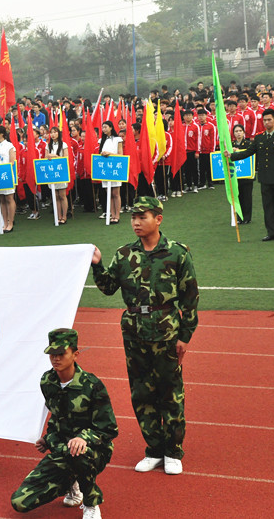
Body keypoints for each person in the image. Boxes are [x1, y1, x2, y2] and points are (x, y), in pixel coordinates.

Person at [91, 196, 199, 475]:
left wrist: (185, 336)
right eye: (133, 217)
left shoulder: (177, 253)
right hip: (134, 333)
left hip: (166, 333)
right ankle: (154, 450)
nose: (136, 222)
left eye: (143, 217)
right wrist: (97, 264)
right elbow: (108, 287)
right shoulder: (124, 254)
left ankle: (173, 451)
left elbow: (190, 297)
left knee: (170, 393)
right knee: (141, 393)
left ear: (158, 219)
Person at [10, 328, 117, 519]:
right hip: (63, 448)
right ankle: (71, 483)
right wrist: (48, 439)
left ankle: (90, 503)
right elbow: (57, 417)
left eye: (61, 353)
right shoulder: (48, 381)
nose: (55, 358)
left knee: (78, 451)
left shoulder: (92, 385)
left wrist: (83, 438)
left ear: (75, 354)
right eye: (52, 354)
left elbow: (109, 428)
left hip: (93, 450)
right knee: (20, 502)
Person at [227, 108, 274, 241]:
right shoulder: (259, 137)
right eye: (264, 120)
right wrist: (231, 156)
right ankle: (271, 232)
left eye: (269, 120)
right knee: (267, 206)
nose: (267, 122)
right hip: (265, 177)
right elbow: (248, 152)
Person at [0, 125, 17, 232]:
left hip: (7, 174)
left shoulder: (9, 145)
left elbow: (12, 162)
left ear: (1, 133)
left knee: (9, 198)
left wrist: (1, 166)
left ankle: (11, 222)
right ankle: (4, 222)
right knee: (1, 199)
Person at [98, 122, 123, 223]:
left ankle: (117, 215)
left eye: (105, 127)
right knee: (109, 193)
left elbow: (121, 155)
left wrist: (109, 154)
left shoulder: (118, 139)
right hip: (105, 169)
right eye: (102, 127)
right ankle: (112, 215)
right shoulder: (101, 140)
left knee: (116, 193)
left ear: (111, 127)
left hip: (115, 168)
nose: (104, 129)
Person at [45, 127, 70, 224]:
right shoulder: (48, 145)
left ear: (58, 133)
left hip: (61, 171)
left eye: (55, 132)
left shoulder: (63, 144)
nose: (53, 134)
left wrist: (55, 156)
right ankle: (58, 216)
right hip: (52, 172)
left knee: (62, 195)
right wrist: (49, 157)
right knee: (55, 195)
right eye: (51, 132)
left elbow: (66, 158)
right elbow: (45, 157)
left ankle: (64, 216)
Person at [231, 124, 254, 224]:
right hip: (236, 175)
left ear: (244, 132)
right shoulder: (231, 144)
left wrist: (238, 152)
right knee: (237, 196)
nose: (238, 133)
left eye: (240, 131)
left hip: (247, 175)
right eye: (236, 131)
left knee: (247, 197)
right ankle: (239, 217)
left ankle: (247, 217)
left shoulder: (249, 144)